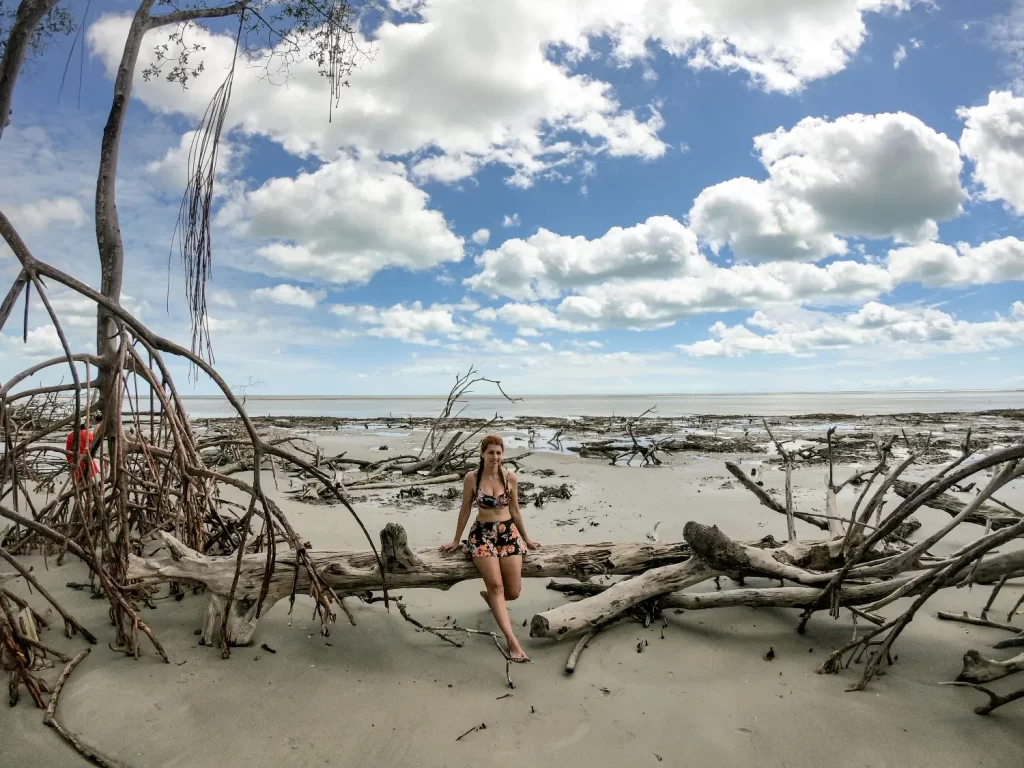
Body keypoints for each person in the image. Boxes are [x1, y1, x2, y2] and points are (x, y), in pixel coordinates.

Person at [440, 434, 540, 662]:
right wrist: (456, 541)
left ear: (502, 454)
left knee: (512, 593)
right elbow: (465, 509)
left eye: (499, 452)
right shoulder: (472, 478)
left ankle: (490, 598)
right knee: (496, 587)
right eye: (490, 452)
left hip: (508, 534)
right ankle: (512, 642)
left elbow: (515, 511)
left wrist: (526, 538)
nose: (495, 456)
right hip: (482, 536)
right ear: (482, 454)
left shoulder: (510, 477)